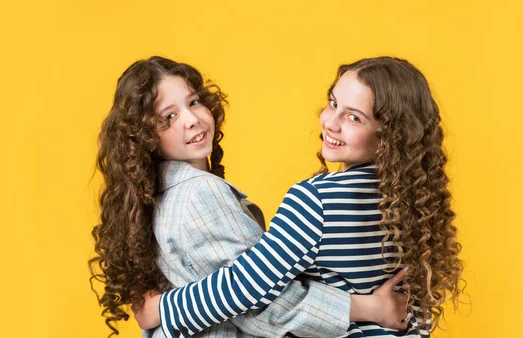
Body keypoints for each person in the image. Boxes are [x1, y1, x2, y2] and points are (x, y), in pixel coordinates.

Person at [136, 56, 465, 338]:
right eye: (333, 104)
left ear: (389, 134)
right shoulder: (416, 198)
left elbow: (245, 287)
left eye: (354, 117)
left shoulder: (316, 201)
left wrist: (163, 309)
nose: (330, 123)